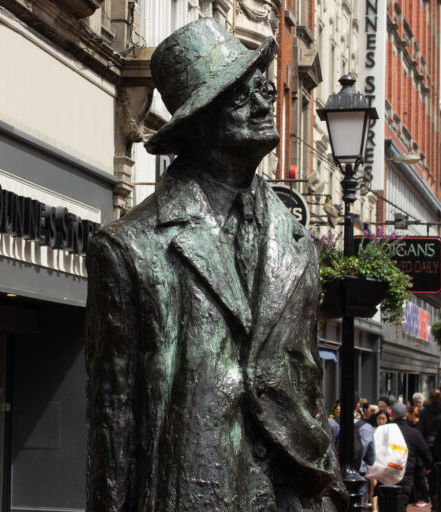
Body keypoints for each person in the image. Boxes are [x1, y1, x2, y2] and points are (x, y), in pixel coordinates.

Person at [86, 18, 344, 510]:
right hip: (192, 489)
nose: (266, 99)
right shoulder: (130, 248)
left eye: (264, 86)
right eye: (242, 92)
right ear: (200, 120)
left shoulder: (297, 244)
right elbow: (112, 423)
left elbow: (305, 380)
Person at [391, 402, 433, 509]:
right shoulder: (414, 433)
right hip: (405, 474)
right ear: (406, 415)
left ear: (392, 415)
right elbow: (425, 451)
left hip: (386, 474)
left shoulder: (386, 430)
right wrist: (428, 465)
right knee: (400, 504)